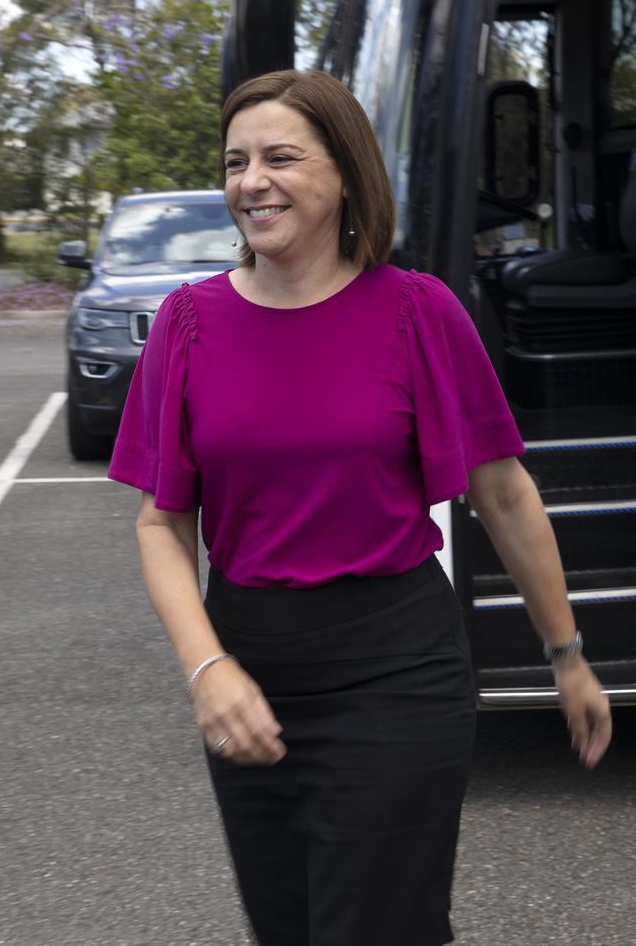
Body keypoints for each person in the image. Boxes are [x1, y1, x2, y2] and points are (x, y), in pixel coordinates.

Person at [108, 69, 612, 946]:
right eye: (235, 162)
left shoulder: (419, 311)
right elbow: (162, 524)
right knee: (291, 927)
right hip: (250, 675)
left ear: (345, 174)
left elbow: (503, 493)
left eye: (279, 157)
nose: (250, 181)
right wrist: (206, 668)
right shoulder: (188, 324)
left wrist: (566, 653)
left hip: (396, 671)